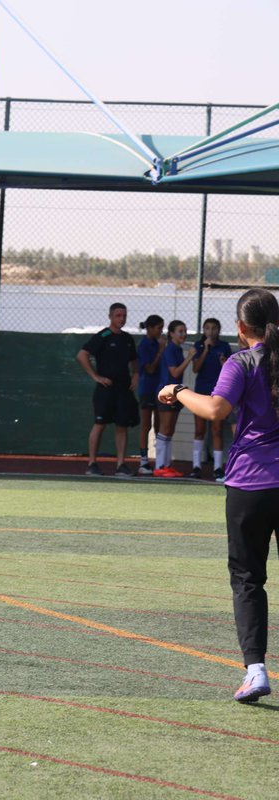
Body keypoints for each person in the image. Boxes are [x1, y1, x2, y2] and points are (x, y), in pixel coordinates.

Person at [157, 287, 279, 703]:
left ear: (241, 327)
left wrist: (177, 391)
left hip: (250, 484)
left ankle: (256, 671)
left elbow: (214, 410)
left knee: (248, 580)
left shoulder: (240, 362)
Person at [77, 302, 139, 476]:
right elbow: (82, 355)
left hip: (123, 389)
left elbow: (134, 362)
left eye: (124, 315)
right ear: (110, 316)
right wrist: (96, 376)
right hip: (106, 388)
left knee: (122, 425)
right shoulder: (103, 336)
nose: (122, 319)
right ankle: (92, 463)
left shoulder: (127, 339)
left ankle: (120, 465)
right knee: (100, 424)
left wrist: (135, 375)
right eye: (118, 315)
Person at [191, 318, 233, 481]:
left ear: (219, 330)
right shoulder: (199, 346)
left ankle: (217, 467)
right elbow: (196, 369)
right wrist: (206, 350)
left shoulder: (224, 347)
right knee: (200, 430)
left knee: (217, 430)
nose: (211, 331)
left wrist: (224, 364)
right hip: (201, 392)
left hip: (217, 393)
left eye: (214, 328)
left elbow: (229, 370)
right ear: (203, 330)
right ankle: (196, 466)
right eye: (207, 328)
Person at [155, 320, 197, 478]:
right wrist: (190, 357)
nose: (183, 334)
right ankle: (159, 465)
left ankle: (166, 465)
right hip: (166, 393)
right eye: (180, 331)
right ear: (171, 333)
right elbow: (174, 372)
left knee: (170, 430)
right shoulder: (170, 350)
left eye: (185, 331)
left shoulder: (177, 350)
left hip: (175, 393)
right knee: (164, 429)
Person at [135, 314, 165, 475]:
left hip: (159, 389)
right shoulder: (145, 345)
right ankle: (144, 461)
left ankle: (160, 461)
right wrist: (160, 351)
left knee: (159, 425)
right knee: (146, 425)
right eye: (159, 328)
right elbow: (150, 369)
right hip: (147, 388)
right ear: (150, 328)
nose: (161, 331)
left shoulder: (158, 343)